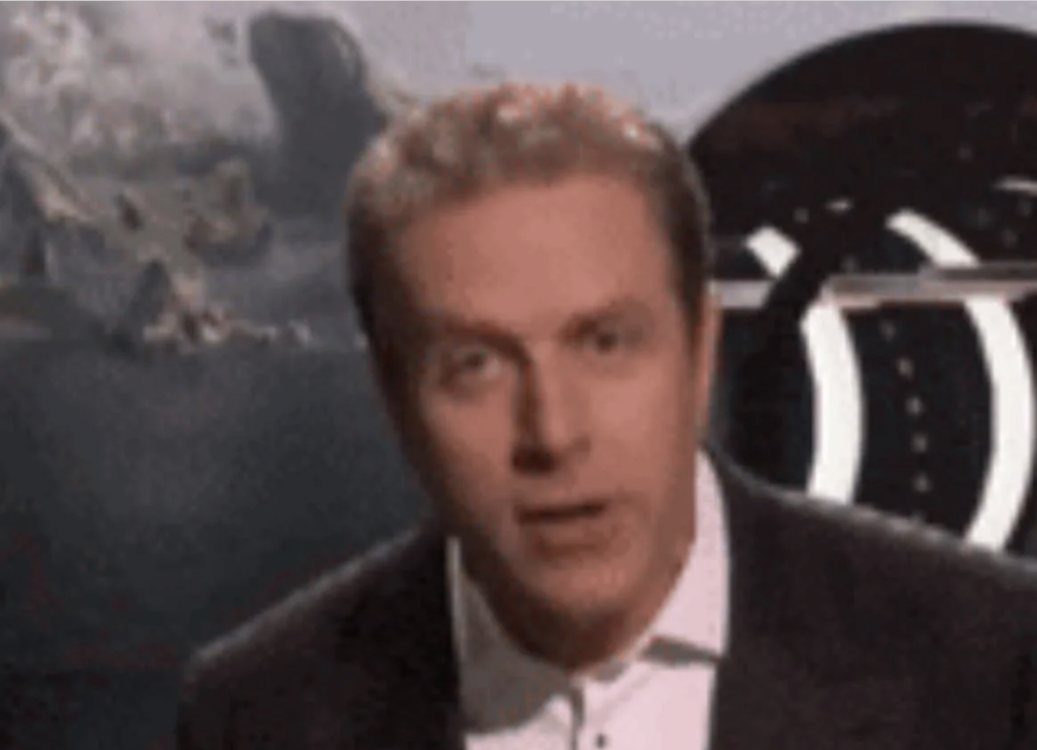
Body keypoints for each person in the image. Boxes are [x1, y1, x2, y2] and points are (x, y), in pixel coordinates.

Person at [176, 81, 1037, 750]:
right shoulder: (256, 716)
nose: (552, 433)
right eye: (474, 365)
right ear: (393, 396)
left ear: (700, 350)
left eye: (605, 344)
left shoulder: (991, 666)